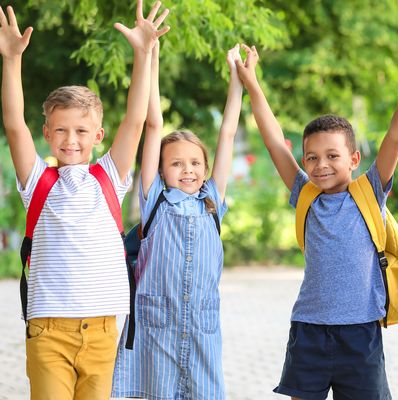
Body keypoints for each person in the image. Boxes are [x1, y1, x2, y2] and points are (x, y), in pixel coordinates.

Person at [235, 32, 398, 399]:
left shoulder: (370, 191)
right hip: (309, 330)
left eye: (332, 155)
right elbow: (274, 141)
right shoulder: (305, 194)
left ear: (354, 160)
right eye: (311, 157)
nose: (320, 164)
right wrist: (252, 83)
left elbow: (395, 133)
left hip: (360, 334)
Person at [0, 1, 169, 398]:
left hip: (104, 328)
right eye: (60, 130)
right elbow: (12, 122)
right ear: (46, 133)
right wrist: (10, 60)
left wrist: (143, 54)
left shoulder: (109, 177)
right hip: (48, 329)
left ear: (98, 136)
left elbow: (136, 119)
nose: (70, 140)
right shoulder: (38, 182)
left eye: (80, 130)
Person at [110, 39, 243, 399]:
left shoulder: (211, 203)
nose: (188, 170)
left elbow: (228, 132)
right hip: (157, 334)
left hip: (202, 332)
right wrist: (150, 55)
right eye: (177, 163)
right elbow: (154, 125)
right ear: (161, 170)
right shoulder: (155, 200)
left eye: (196, 163)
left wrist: (237, 76)